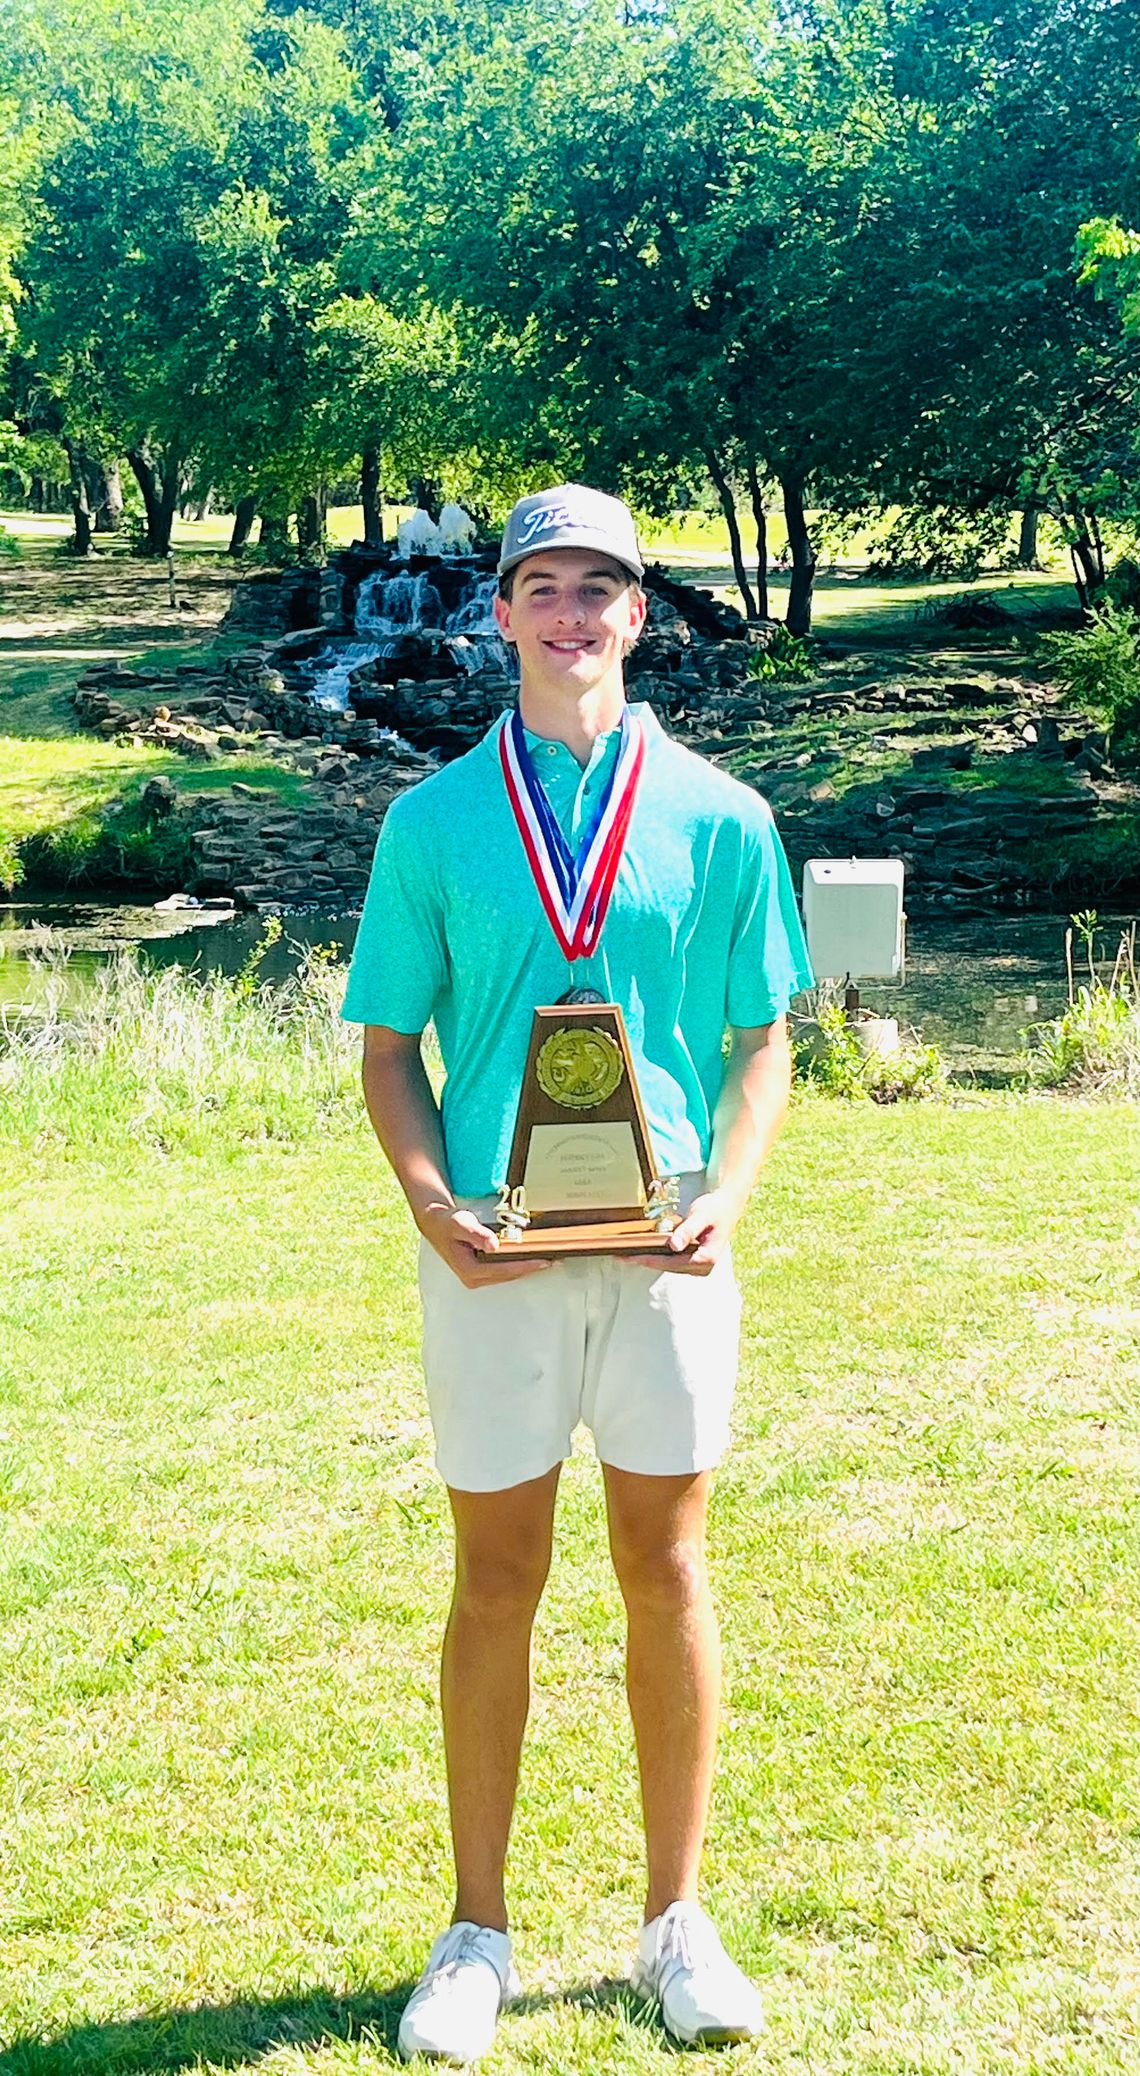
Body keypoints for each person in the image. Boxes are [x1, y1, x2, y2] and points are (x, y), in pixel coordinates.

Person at [341, 484, 814, 2063]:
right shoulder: (430, 823)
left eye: (598, 590)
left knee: (666, 1568)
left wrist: (728, 1194)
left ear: (638, 612)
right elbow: (389, 1049)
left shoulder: (726, 817)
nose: (569, 615)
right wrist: (425, 1199)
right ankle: (476, 1930)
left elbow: (763, 1047)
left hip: (670, 1250)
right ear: (499, 612)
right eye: (540, 586)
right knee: (496, 1580)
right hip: (494, 1256)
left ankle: (675, 1921)